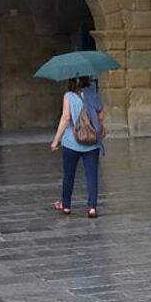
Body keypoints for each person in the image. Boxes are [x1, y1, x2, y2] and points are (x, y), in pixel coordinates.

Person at [51, 77, 105, 218]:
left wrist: (56, 141)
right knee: (92, 176)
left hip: (71, 142)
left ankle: (66, 205)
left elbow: (66, 118)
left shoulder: (68, 96)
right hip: (92, 142)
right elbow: (101, 116)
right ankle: (92, 207)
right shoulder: (93, 94)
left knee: (69, 175)